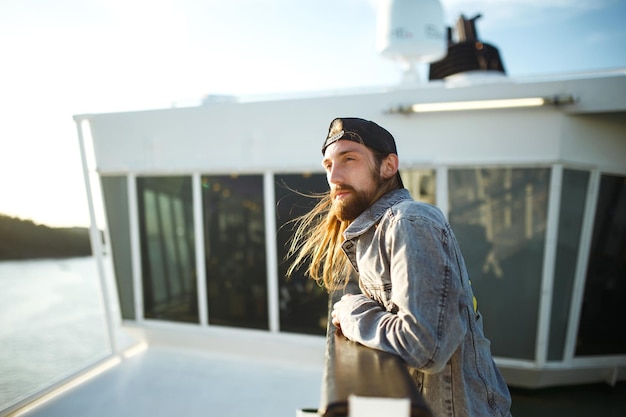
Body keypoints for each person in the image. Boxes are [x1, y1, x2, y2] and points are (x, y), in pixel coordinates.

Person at [287, 117, 513, 417]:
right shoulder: (375, 231)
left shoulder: (409, 221)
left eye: (349, 159)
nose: (334, 176)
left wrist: (351, 311)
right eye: (328, 165)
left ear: (388, 166)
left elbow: (425, 347)